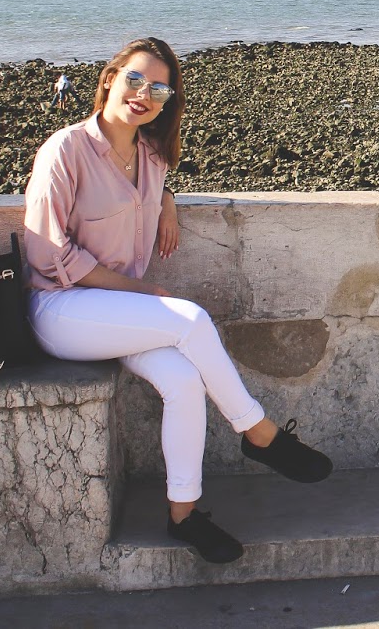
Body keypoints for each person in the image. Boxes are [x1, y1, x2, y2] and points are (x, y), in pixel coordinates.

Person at [24, 37, 332, 566]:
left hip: (118, 317)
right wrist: (142, 291)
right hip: (61, 307)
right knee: (189, 319)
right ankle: (258, 432)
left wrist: (166, 199)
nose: (143, 94)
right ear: (109, 80)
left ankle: (184, 515)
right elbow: (48, 254)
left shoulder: (151, 158)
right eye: (134, 80)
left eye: (159, 89)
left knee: (185, 380)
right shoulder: (65, 150)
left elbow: (141, 190)